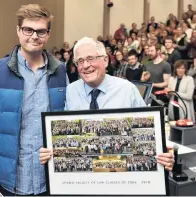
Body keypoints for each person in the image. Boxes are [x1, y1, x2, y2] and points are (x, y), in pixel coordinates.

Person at [0, 4, 67, 196]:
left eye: (40, 31)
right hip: (6, 184)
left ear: (48, 34)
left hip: (49, 182)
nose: (34, 36)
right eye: (28, 29)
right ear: (18, 31)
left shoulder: (61, 72)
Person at [39, 37, 174, 172]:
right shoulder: (70, 92)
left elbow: (149, 133)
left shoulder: (127, 90)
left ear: (105, 60)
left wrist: (165, 155)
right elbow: (64, 136)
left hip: (121, 177)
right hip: (83, 179)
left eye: (91, 58)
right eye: (80, 61)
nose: (85, 65)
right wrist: (50, 151)